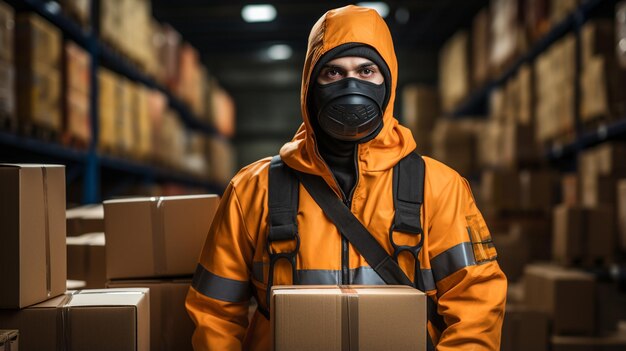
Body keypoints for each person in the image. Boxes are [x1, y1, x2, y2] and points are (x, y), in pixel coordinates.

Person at [186, 5, 507, 350]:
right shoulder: (252, 190)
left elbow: (476, 309)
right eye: (334, 73)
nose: (351, 85)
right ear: (310, 86)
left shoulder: (440, 189)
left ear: (388, 81)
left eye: (366, 70)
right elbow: (215, 314)